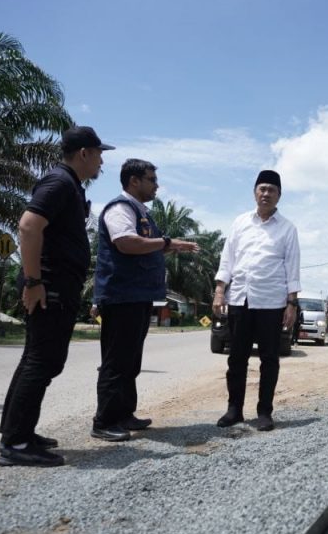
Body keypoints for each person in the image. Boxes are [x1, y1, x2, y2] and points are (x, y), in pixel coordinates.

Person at [0, 126, 114, 467]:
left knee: (37, 359)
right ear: (84, 154)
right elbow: (29, 226)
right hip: (49, 284)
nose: (101, 161)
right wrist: (33, 281)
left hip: (54, 283)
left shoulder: (68, 184)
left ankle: (18, 432)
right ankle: (16, 444)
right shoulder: (59, 182)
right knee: (42, 361)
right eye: (99, 154)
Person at [91, 159, 198, 442]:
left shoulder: (142, 213)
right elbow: (125, 242)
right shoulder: (121, 209)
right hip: (121, 295)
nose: (156, 185)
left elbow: (144, 248)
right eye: (151, 179)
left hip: (138, 296)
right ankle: (104, 421)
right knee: (116, 361)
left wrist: (166, 249)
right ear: (134, 181)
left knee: (130, 360)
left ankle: (124, 414)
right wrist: (167, 243)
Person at [212, 169, 300, 432]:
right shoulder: (240, 223)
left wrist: (291, 304)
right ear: (254, 192)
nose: (266, 194)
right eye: (262, 189)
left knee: (269, 359)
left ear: (279, 195)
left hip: (271, 303)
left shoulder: (287, 229)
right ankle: (234, 410)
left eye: (271, 190)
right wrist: (219, 290)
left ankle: (264, 412)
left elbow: (292, 268)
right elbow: (227, 259)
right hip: (239, 299)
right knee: (236, 358)